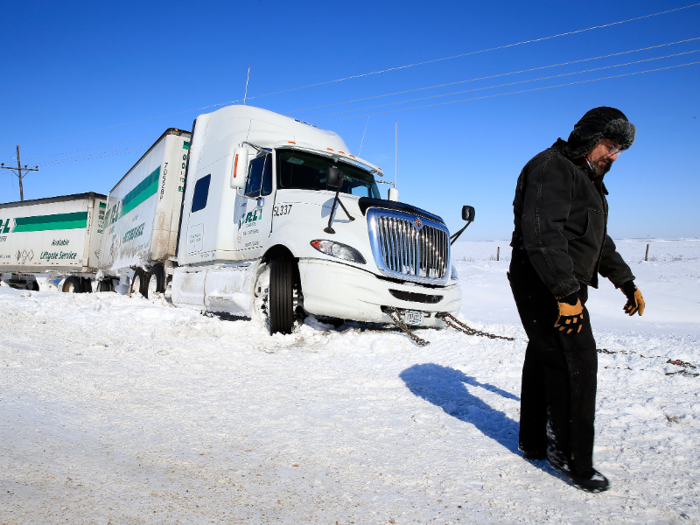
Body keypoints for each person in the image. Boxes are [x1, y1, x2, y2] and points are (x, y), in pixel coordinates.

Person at [508, 107, 646, 493]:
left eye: (620, 149)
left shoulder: (586, 177)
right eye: (611, 145)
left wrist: (626, 281)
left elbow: (596, 241)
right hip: (544, 280)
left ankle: (534, 441)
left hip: (558, 280)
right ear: (589, 136)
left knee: (546, 356)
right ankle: (572, 459)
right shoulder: (551, 168)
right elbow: (541, 235)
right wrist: (566, 295)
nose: (614, 156)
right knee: (577, 363)